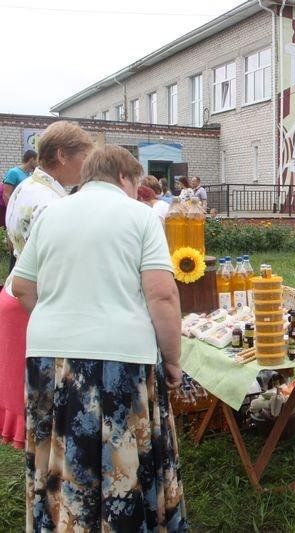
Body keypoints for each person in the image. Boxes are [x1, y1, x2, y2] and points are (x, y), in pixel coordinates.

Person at [11, 145, 187, 531]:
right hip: (120, 357)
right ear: (125, 177)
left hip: (48, 358)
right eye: (136, 182)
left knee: (60, 456)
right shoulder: (140, 216)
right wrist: (173, 359)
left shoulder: (50, 214)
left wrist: (60, 317)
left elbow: (22, 287)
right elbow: (161, 293)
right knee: (120, 457)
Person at [0, 121, 94, 451]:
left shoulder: (27, 187)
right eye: (84, 154)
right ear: (61, 155)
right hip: (34, 299)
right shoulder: (50, 203)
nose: (88, 162)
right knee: (44, 402)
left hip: (17, 292)